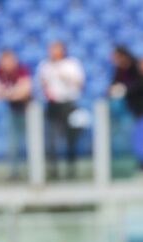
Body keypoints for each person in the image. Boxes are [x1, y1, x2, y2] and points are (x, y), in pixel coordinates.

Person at [37, 41, 85, 179]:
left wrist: (64, 76)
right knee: (50, 139)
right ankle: (53, 170)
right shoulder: (45, 66)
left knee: (71, 138)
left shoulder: (71, 64)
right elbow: (40, 85)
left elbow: (79, 83)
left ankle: (71, 169)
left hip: (68, 104)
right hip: (52, 105)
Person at [0, 50, 32, 180]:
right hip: (12, 110)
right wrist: (10, 93)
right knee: (13, 144)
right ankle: (14, 173)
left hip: (28, 111)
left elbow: (25, 91)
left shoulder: (21, 70)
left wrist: (5, 93)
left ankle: (33, 172)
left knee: (31, 142)